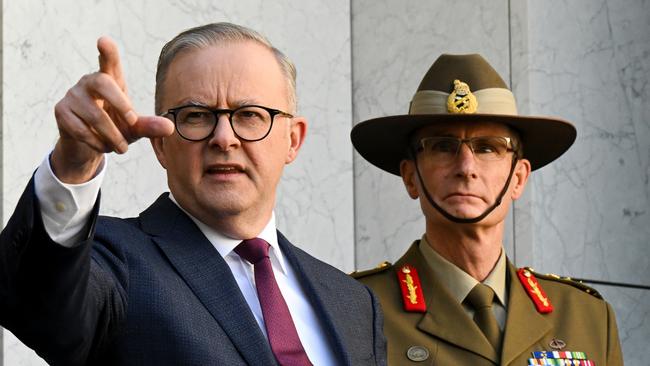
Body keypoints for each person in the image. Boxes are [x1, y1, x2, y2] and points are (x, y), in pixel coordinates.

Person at [0, 22, 386, 366]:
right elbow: (39, 304)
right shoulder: (114, 262)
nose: (224, 138)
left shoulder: (354, 303)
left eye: (250, 114)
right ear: (160, 145)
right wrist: (72, 165)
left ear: (293, 140)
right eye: (196, 116)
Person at [350, 54, 623, 365]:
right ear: (411, 177)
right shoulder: (356, 311)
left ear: (518, 178)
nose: (466, 167)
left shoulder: (586, 317)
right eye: (442, 146)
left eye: (488, 147)